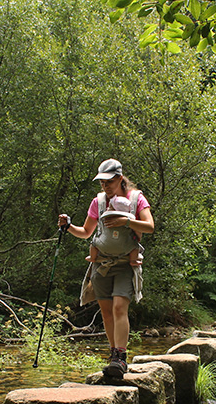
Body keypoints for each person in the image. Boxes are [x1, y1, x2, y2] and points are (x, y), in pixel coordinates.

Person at [58, 159, 154, 377]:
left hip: (124, 265)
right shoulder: (98, 202)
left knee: (120, 307)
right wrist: (67, 227)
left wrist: (126, 222)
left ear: (120, 179)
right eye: (102, 182)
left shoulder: (136, 198)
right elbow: (85, 232)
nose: (105, 186)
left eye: (109, 181)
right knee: (107, 312)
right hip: (100, 265)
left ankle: (121, 356)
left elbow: (149, 227)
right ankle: (113, 356)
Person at [87, 194, 143, 267]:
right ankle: (133, 260)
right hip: (125, 249)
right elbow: (138, 232)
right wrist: (138, 236)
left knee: (94, 242)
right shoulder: (128, 221)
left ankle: (92, 257)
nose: (107, 208)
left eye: (110, 206)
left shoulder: (105, 218)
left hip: (104, 247)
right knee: (135, 246)